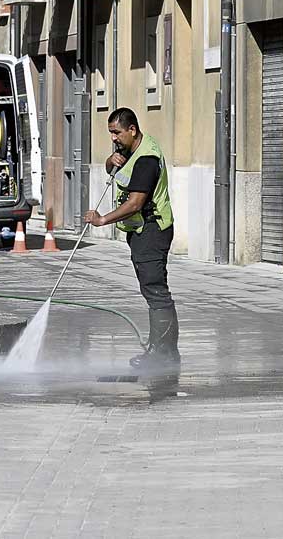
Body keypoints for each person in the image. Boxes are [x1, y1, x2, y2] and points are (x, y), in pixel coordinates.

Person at [83, 107, 180, 372]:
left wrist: (103, 220)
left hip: (152, 230)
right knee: (151, 290)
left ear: (132, 130)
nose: (113, 138)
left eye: (116, 133)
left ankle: (165, 354)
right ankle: (159, 349)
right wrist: (108, 161)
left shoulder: (147, 158)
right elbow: (113, 167)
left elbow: (136, 202)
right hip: (139, 232)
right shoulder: (129, 149)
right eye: (110, 133)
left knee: (156, 291)